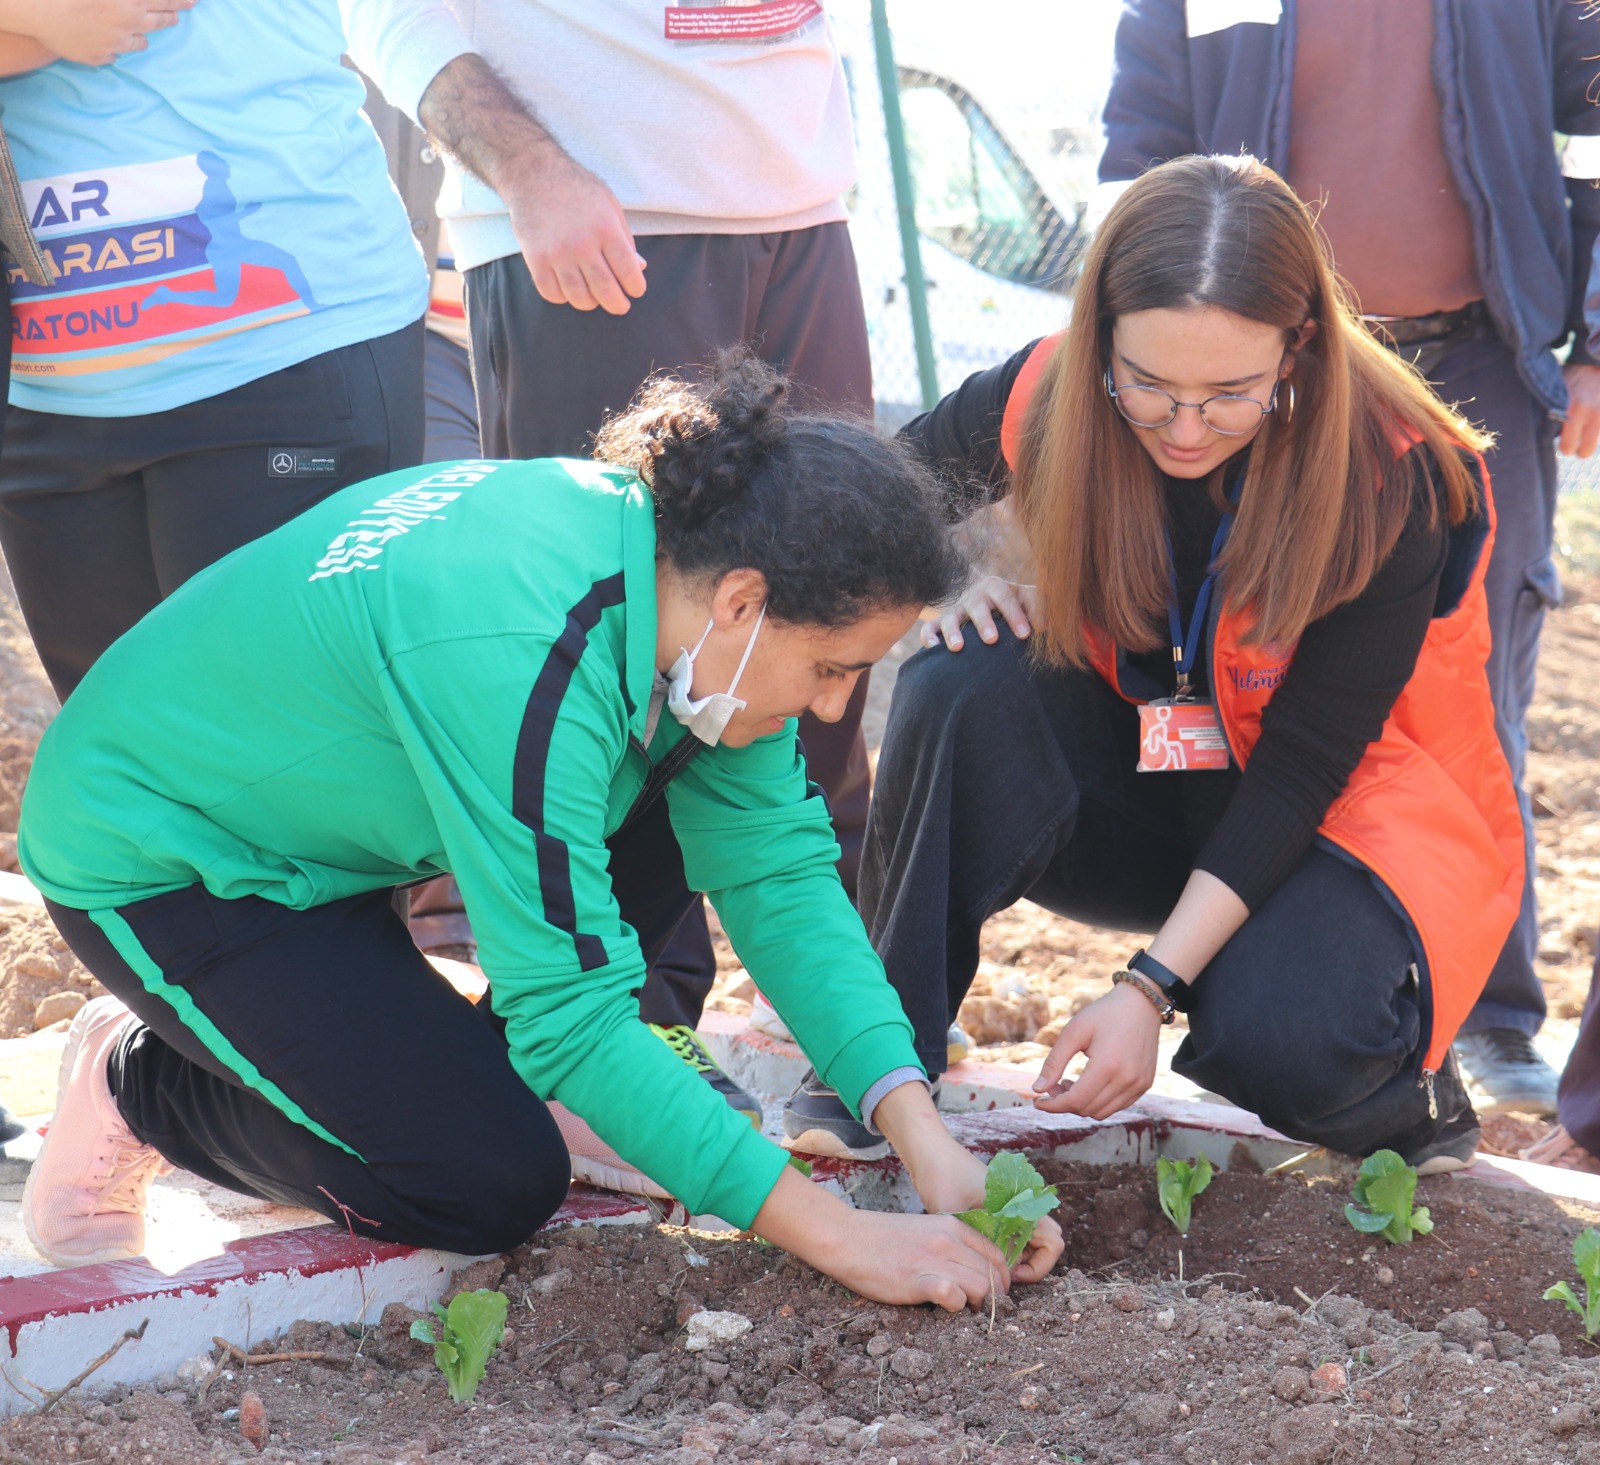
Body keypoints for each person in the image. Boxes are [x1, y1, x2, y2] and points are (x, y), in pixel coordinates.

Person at [16, 354, 1064, 1309]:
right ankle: (139, 1078)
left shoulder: (687, 588)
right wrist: (845, 1240)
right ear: (745, 603)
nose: (835, 706)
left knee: (673, 787)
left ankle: (495, 1081)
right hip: (173, 856)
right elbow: (565, 1014)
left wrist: (927, 1142)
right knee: (483, 1180)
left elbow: (778, 878)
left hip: (327, 833)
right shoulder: (524, 643)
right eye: (833, 668)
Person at [784, 155, 1522, 1177]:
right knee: (958, 679)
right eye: (1148, 386)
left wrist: (1146, 987)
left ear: (1298, 344)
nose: (1184, 428)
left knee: (1286, 1036)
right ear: (1101, 336)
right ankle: (877, 1052)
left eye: (1230, 395)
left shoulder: (1392, 471)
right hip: (1157, 788)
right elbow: (879, 504)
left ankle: (1396, 1077)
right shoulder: (1051, 386)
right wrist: (947, 583)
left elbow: (1304, 766)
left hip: (1338, 823)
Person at [340, 0, 880, 1094]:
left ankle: (848, 1017)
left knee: (818, 635)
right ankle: (629, 1031)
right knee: (618, 660)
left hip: (802, 202)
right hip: (593, 216)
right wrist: (525, 168)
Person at [1093, 0, 1600, 1118]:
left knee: (1474, 706)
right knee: (1262, 685)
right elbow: (1142, 139)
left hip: (1475, 353)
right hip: (1259, 386)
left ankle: (1485, 1011)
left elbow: (1593, 124)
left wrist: (1596, 338)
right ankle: (1273, 961)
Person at [0, 0, 427, 702]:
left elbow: (111, 13)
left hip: (276, 354)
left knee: (286, 738)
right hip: (44, 386)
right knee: (119, 750)